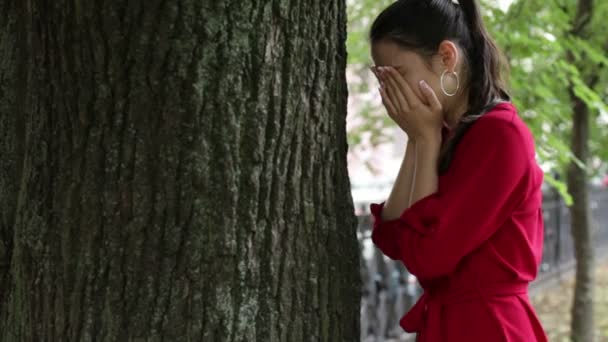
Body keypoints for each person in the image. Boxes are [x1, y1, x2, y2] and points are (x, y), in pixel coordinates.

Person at [367, 0, 548, 341]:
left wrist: (424, 137)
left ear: (446, 57)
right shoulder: (444, 134)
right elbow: (392, 237)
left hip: (488, 327)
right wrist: (418, 140)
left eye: (399, 74)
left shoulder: (500, 135)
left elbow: (427, 257)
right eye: (383, 78)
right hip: (450, 324)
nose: (392, 92)